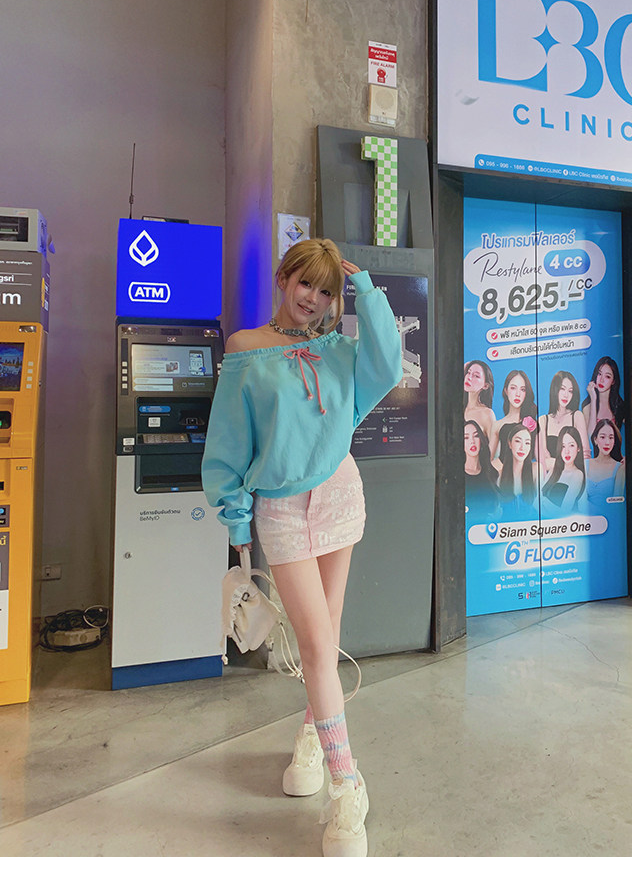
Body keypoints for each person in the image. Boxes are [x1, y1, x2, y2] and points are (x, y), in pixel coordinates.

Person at [202, 238, 402, 858]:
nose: (313, 299)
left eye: (326, 290)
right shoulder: (244, 347)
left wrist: (366, 291)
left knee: (327, 636)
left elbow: (389, 366)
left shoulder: (339, 349)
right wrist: (236, 521)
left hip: (339, 493)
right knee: (315, 644)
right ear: (283, 278)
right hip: (282, 508)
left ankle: (314, 740)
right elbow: (229, 440)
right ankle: (348, 787)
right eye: (305, 283)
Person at [538, 371, 590, 472]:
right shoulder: (543, 420)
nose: (566, 395)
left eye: (570, 391)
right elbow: (544, 460)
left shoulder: (577, 416)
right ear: (555, 390)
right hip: (550, 477)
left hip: (574, 476)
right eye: (562, 389)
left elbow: (585, 455)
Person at [488, 369, 537, 469]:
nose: (518, 394)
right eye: (513, 388)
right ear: (506, 390)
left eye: (523, 389)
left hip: (527, 475)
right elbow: (488, 461)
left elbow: (539, 457)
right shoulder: (497, 425)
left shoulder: (533, 423)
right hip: (502, 474)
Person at [541, 425, 586, 515]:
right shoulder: (554, 470)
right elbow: (536, 499)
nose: (567, 451)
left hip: (563, 522)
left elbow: (565, 511)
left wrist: (544, 501)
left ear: (578, 448)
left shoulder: (577, 475)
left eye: (571, 445)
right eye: (563, 446)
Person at [496, 422, 538, 519]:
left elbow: (540, 503)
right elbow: (497, 511)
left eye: (527, 443)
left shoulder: (536, 469)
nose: (522, 447)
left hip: (531, 525)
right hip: (507, 526)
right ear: (510, 443)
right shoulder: (499, 476)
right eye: (518, 441)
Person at [464, 419, 501, 516]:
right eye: (466, 438)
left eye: (476, 436)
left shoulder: (491, 472)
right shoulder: (458, 476)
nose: (472, 441)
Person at [582, 356, 625, 438]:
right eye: (599, 374)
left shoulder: (619, 406)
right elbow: (590, 435)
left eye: (607, 376)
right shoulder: (588, 405)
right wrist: (593, 399)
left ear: (613, 381)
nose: (601, 380)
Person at [586, 418, 625, 507]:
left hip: (609, 514)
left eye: (611, 438)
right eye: (602, 437)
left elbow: (617, 504)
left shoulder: (620, 468)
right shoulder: (585, 464)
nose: (607, 442)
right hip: (585, 515)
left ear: (614, 441)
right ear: (595, 440)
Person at [463, 360, 496, 441]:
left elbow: (495, 448)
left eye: (476, 376)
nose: (469, 377)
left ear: (485, 386)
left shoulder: (487, 414)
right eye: (468, 372)